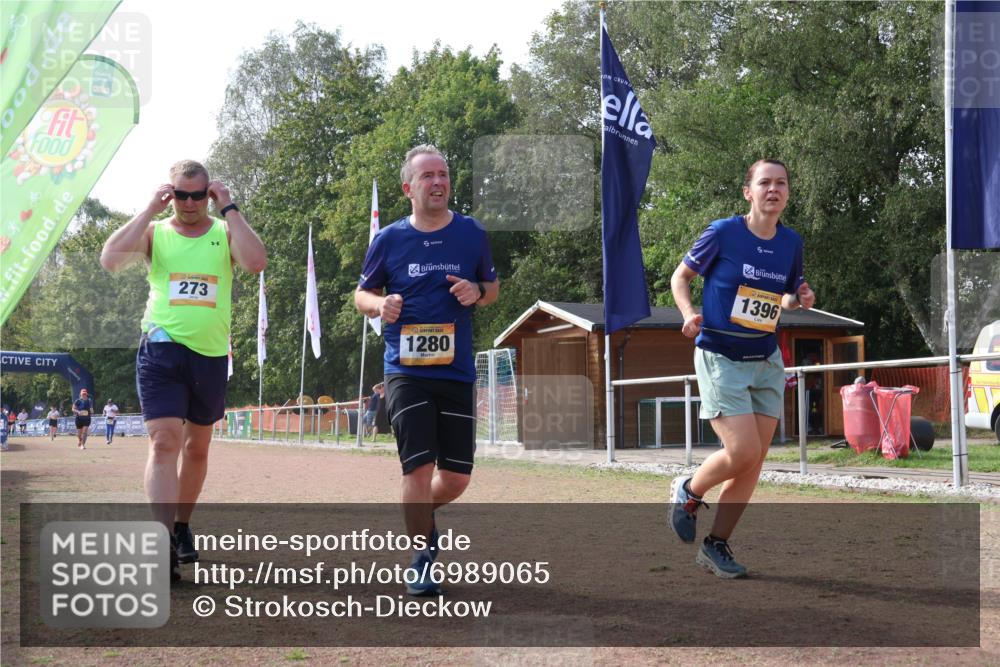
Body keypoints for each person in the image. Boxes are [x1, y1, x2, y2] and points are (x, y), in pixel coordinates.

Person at [100, 159, 266, 581]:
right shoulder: (155, 233)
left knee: (196, 449)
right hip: (161, 348)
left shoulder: (224, 231)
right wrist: (147, 210)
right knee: (164, 443)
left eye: (197, 195)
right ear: (169, 193)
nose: (189, 203)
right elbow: (110, 260)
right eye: (180, 194)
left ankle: (181, 526)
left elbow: (255, 262)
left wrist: (229, 207)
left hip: (209, 355)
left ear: (208, 193)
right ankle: (160, 545)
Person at [355, 144, 499, 596]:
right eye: (428, 176)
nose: (438, 182)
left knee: (456, 477)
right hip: (406, 370)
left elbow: (492, 287)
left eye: (443, 175)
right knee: (417, 468)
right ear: (408, 188)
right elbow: (361, 295)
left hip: (456, 372)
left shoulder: (471, 233)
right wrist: (380, 304)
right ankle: (420, 558)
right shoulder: (389, 239)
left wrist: (477, 292)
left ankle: (416, 512)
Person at [668, 159, 815, 578]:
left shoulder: (791, 242)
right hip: (721, 356)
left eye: (781, 183)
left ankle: (715, 545)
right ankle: (689, 490)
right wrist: (688, 313)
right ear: (748, 192)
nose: (774, 189)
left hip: (766, 360)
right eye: (765, 182)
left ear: (788, 193)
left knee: (754, 462)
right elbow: (680, 278)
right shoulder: (723, 233)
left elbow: (783, 297)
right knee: (743, 451)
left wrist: (799, 298)